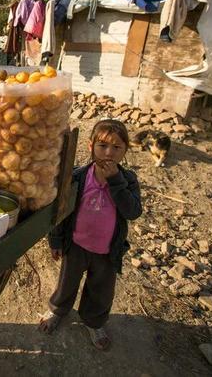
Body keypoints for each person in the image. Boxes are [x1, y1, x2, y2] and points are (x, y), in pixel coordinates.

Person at [38, 119, 142, 351]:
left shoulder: (128, 180)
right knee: (66, 283)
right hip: (76, 245)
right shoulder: (78, 176)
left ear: (125, 151)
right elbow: (61, 211)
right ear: (90, 146)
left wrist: (116, 181)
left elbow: (132, 211)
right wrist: (55, 240)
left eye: (117, 148)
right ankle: (57, 311)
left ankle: (94, 323)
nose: (109, 153)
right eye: (102, 145)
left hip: (107, 252)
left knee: (100, 291)